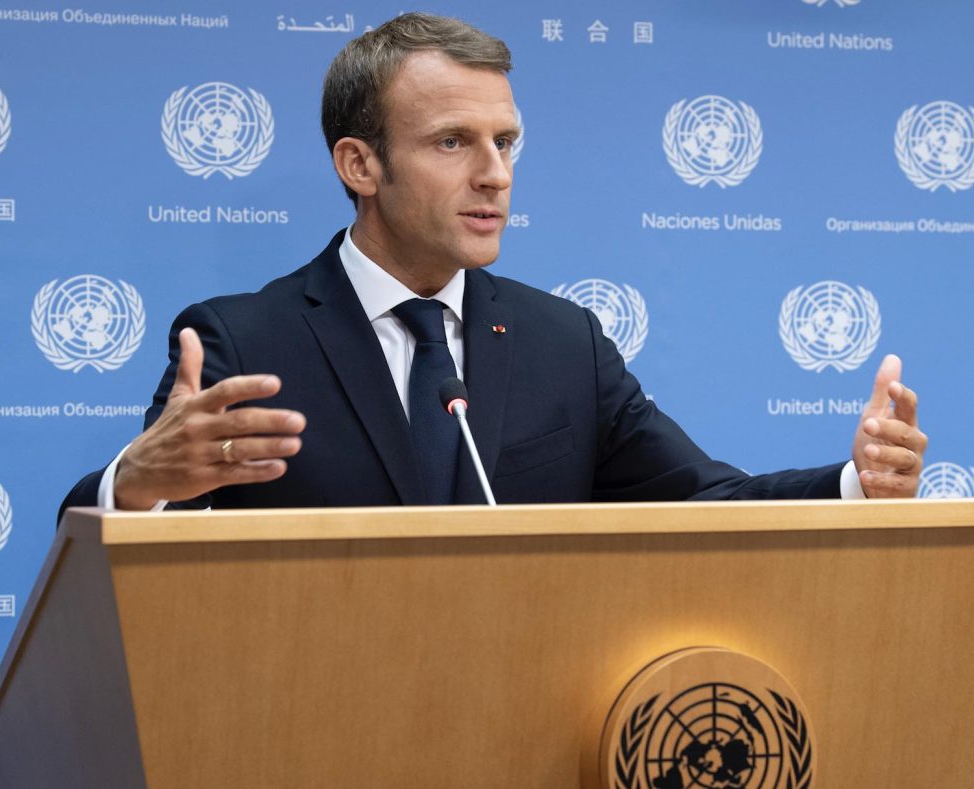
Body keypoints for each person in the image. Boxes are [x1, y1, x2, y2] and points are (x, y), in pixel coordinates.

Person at [59, 13, 926, 518]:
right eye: (452, 142)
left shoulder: (564, 343)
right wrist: (137, 485)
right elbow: (109, 548)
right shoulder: (243, 343)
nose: (496, 174)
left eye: (505, 141)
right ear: (360, 164)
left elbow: (702, 503)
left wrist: (856, 483)